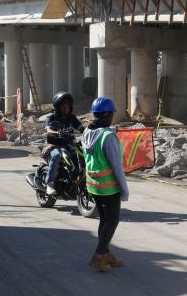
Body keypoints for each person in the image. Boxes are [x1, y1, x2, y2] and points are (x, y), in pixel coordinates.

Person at [82, 96, 129, 272]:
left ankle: (106, 253)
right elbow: (117, 166)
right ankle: (99, 255)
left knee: (104, 219)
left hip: (93, 185)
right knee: (112, 221)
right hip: (109, 188)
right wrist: (124, 190)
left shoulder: (87, 133)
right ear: (108, 115)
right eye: (112, 114)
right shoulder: (108, 137)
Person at [44, 91, 85, 196]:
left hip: (69, 145)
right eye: (64, 106)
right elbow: (48, 129)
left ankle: (77, 179)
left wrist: (91, 132)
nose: (66, 108)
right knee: (57, 155)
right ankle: (50, 184)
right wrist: (56, 132)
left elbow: (81, 128)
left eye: (68, 106)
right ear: (58, 107)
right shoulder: (51, 118)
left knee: (83, 154)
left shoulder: (71, 118)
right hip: (53, 146)